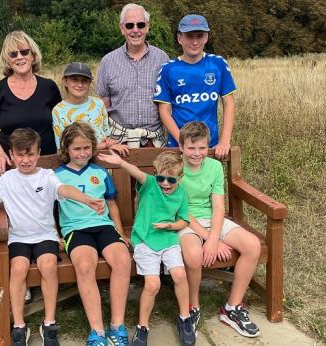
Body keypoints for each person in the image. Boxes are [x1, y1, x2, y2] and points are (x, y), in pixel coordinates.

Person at [0, 128, 104, 346]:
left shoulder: (47, 176)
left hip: (45, 235)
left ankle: (49, 323)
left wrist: (86, 199)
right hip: (19, 237)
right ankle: (19, 326)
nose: (26, 160)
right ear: (11, 155)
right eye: (20, 155)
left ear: (38, 154)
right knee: (18, 269)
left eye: (30, 154)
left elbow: (65, 190)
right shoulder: (6, 179)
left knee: (48, 266)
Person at [97, 150, 196, 346]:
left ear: (180, 177)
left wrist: (170, 226)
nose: (165, 184)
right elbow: (137, 173)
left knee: (179, 275)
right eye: (161, 178)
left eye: (171, 180)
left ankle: (185, 318)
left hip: (168, 239)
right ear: (155, 174)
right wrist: (120, 163)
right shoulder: (150, 184)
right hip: (145, 240)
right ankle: (143, 327)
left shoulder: (182, 193)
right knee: (153, 285)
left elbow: (184, 221)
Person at [177, 121, 261, 338]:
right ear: (181, 147)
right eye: (191, 148)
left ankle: (232, 308)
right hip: (186, 221)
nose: (197, 153)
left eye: (202, 148)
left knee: (252, 245)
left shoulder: (214, 167)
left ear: (208, 147)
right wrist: (207, 239)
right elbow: (180, 212)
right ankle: (193, 306)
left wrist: (214, 239)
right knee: (194, 255)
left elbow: (218, 206)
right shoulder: (175, 169)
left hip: (213, 219)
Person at [54, 122, 132, 346]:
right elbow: (46, 209)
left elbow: (111, 203)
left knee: (122, 260)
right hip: (75, 230)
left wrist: (119, 231)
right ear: (66, 149)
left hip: (104, 226)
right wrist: (54, 235)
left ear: (93, 147)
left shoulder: (99, 171)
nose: (82, 153)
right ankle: (97, 331)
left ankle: (117, 327)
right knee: (85, 265)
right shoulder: (56, 176)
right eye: (76, 149)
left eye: (87, 148)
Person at [154, 14, 237, 159]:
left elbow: (229, 102)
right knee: (178, 181)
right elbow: (164, 110)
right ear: (180, 38)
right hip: (178, 146)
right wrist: (182, 141)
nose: (194, 42)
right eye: (189, 36)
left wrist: (224, 141)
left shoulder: (218, 64)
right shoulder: (168, 69)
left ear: (206, 38)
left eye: (199, 36)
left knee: (208, 181)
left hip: (209, 146)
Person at [0, 30, 62, 176]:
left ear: (33, 55)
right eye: (13, 54)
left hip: (46, 162)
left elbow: (62, 123)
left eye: (24, 52)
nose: (19, 57)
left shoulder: (49, 87)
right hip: (11, 165)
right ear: (7, 59)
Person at [96, 3, 169, 148]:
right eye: (130, 25)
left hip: (153, 141)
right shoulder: (108, 61)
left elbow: (168, 102)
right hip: (120, 141)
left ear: (147, 27)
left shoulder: (162, 59)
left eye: (140, 25)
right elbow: (103, 103)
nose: (135, 30)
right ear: (122, 29)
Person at [52, 62, 129, 156]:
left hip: (103, 158)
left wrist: (109, 141)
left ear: (90, 83)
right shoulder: (58, 110)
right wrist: (104, 145)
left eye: (85, 80)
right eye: (74, 80)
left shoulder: (98, 104)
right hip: (77, 161)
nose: (80, 84)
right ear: (65, 81)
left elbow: (106, 132)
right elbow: (63, 146)